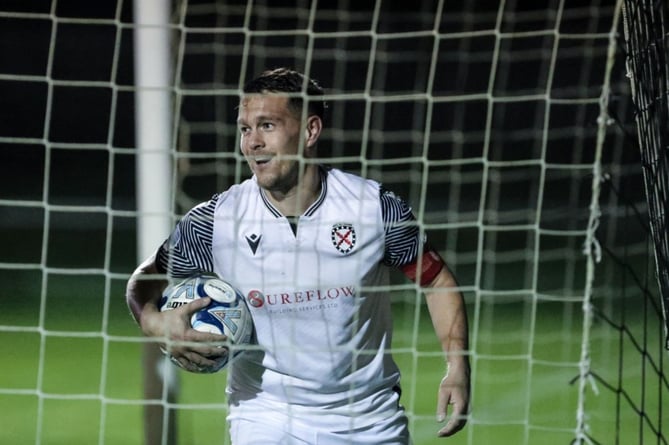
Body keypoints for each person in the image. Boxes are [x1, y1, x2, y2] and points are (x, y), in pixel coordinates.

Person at [126, 67, 470, 444]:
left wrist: (457, 366)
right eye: (245, 129)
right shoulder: (216, 221)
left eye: (267, 126)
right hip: (264, 415)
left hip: (369, 421)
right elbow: (144, 282)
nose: (252, 142)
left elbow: (436, 280)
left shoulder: (373, 209)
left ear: (310, 131)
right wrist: (156, 324)